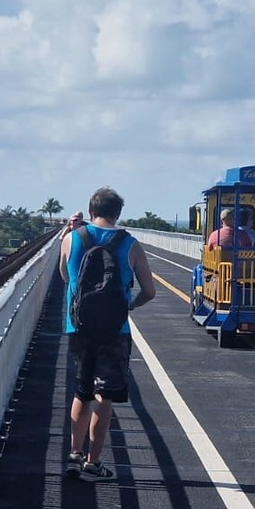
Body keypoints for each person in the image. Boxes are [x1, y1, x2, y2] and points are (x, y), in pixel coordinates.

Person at [59, 187, 156, 481]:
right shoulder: (131, 244)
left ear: (91, 212)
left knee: (82, 390)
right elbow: (149, 292)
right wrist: (129, 305)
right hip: (115, 329)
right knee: (105, 396)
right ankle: (94, 462)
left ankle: (74, 455)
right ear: (118, 214)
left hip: (79, 325)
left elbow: (65, 277)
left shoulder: (71, 239)